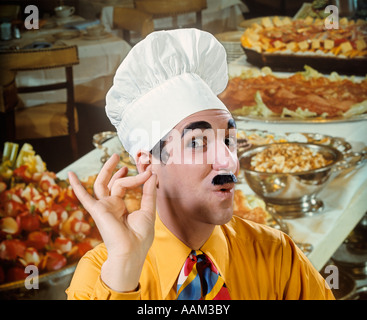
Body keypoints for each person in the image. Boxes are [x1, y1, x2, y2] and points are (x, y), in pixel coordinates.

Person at [66, 29, 334, 300]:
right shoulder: (100, 279)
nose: (228, 161)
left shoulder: (278, 256)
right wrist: (125, 266)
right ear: (148, 165)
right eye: (197, 142)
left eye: (228, 139)